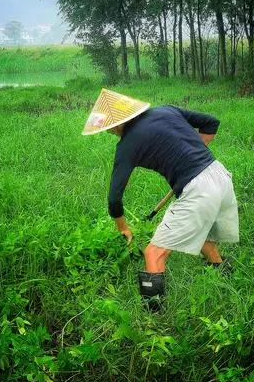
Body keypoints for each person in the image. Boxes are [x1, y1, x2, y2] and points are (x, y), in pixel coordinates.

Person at [82, 88, 239, 308]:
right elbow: (211, 123)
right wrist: (192, 152)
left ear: (118, 123)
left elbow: (114, 198)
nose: (111, 133)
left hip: (200, 189)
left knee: (153, 254)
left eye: (109, 129)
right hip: (220, 176)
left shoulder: (127, 145)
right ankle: (224, 276)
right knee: (204, 233)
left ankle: (153, 317)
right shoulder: (167, 110)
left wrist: (123, 228)